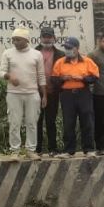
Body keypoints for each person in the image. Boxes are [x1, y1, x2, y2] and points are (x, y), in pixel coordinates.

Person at [0, 27, 47, 160]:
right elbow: (1, 72)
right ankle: (15, 151)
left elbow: (41, 76)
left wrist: (44, 95)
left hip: (32, 93)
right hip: (13, 93)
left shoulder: (36, 54)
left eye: (18, 39)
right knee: (14, 122)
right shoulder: (8, 53)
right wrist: (9, 77)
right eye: (13, 39)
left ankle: (31, 150)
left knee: (32, 122)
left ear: (26, 40)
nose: (15, 42)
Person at [51, 37, 100, 159]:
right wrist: (62, 79)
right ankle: (69, 150)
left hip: (83, 93)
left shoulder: (87, 61)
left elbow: (95, 77)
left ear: (77, 49)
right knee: (68, 122)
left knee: (87, 121)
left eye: (70, 48)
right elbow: (54, 79)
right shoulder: (60, 62)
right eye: (66, 48)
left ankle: (88, 149)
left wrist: (82, 78)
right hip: (67, 94)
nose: (67, 50)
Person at [34, 27, 65, 157]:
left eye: (49, 37)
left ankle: (53, 148)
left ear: (54, 38)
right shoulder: (33, 52)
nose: (47, 39)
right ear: (40, 38)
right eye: (44, 37)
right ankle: (37, 149)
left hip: (53, 92)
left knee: (51, 121)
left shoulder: (61, 54)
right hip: (35, 92)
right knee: (37, 121)